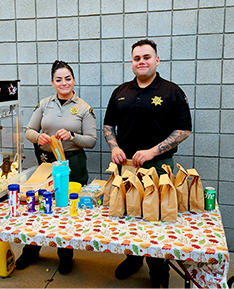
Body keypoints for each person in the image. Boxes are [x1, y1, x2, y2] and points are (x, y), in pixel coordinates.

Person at [103, 39, 192, 287]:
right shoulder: (120, 91)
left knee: (156, 221)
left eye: (146, 57)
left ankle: (158, 270)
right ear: (131, 62)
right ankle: (133, 259)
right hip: (126, 168)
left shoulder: (172, 91)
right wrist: (115, 147)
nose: (141, 61)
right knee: (128, 218)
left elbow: (184, 129)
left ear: (157, 60)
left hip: (158, 167)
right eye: (136, 58)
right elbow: (108, 125)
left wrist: (153, 151)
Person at [16, 60, 97, 274]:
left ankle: (65, 255)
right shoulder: (44, 104)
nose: (64, 83)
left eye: (67, 78)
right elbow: (29, 131)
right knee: (40, 208)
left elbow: (91, 141)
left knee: (67, 210)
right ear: (52, 83)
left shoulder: (84, 107)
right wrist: (38, 137)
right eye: (59, 79)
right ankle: (31, 250)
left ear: (73, 80)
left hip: (73, 164)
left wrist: (73, 136)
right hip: (46, 164)